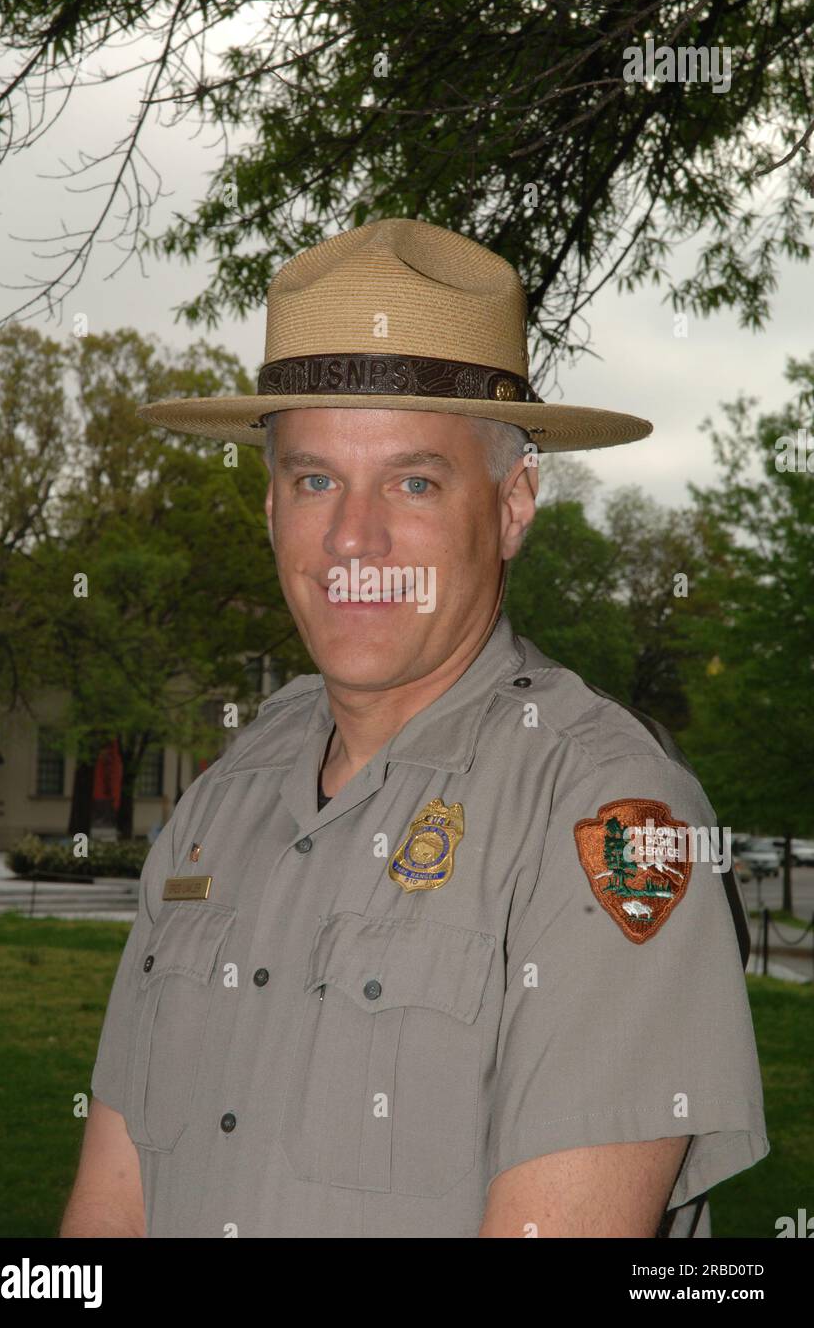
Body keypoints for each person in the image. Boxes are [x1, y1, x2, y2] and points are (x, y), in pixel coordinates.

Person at [60, 218, 767, 1239]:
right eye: (314, 480)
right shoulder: (221, 801)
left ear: (513, 503)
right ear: (268, 503)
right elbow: (106, 1215)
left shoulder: (607, 816)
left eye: (412, 480)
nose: (353, 538)